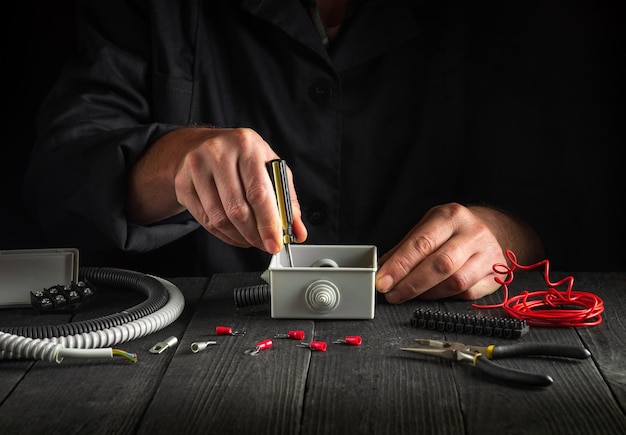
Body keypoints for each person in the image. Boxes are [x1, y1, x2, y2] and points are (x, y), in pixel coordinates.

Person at [25, 0, 614, 304]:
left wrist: (503, 235)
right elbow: (61, 171)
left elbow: (568, 190)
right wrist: (175, 160)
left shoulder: (500, 18)